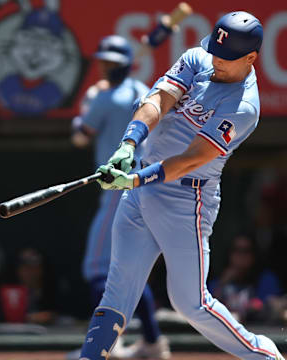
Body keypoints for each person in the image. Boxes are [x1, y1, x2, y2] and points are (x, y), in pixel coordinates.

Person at [78, 11, 286, 360]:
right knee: (117, 292)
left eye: (227, 58)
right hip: (142, 185)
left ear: (251, 58)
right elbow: (158, 100)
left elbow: (191, 159)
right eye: (215, 52)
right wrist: (128, 144)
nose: (216, 61)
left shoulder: (244, 107)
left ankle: (266, 356)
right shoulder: (197, 58)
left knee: (191, 303)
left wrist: (135, 178)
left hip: (186, 198)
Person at [70, 35, 170, 359]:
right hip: (145, 184)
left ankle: (105, 347)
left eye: (111, 62)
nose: (105, 66)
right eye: (104, 61)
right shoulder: (143, 91)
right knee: (130, 270)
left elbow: (79, 138)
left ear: (123, 64)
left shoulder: (106, 97)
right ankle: (153, 343)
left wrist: (86, 103)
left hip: (118, 188)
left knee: (98, 269)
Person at [209, 234, 283, 323]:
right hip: (226, 330)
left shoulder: (266, 279)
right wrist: (222, 283)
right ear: (229, 254)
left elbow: (272, 307)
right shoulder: (218, 281)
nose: (241, 256)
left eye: (246, 251)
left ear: (254, 255)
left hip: (259, 330)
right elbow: (207, 309)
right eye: (237, 250)